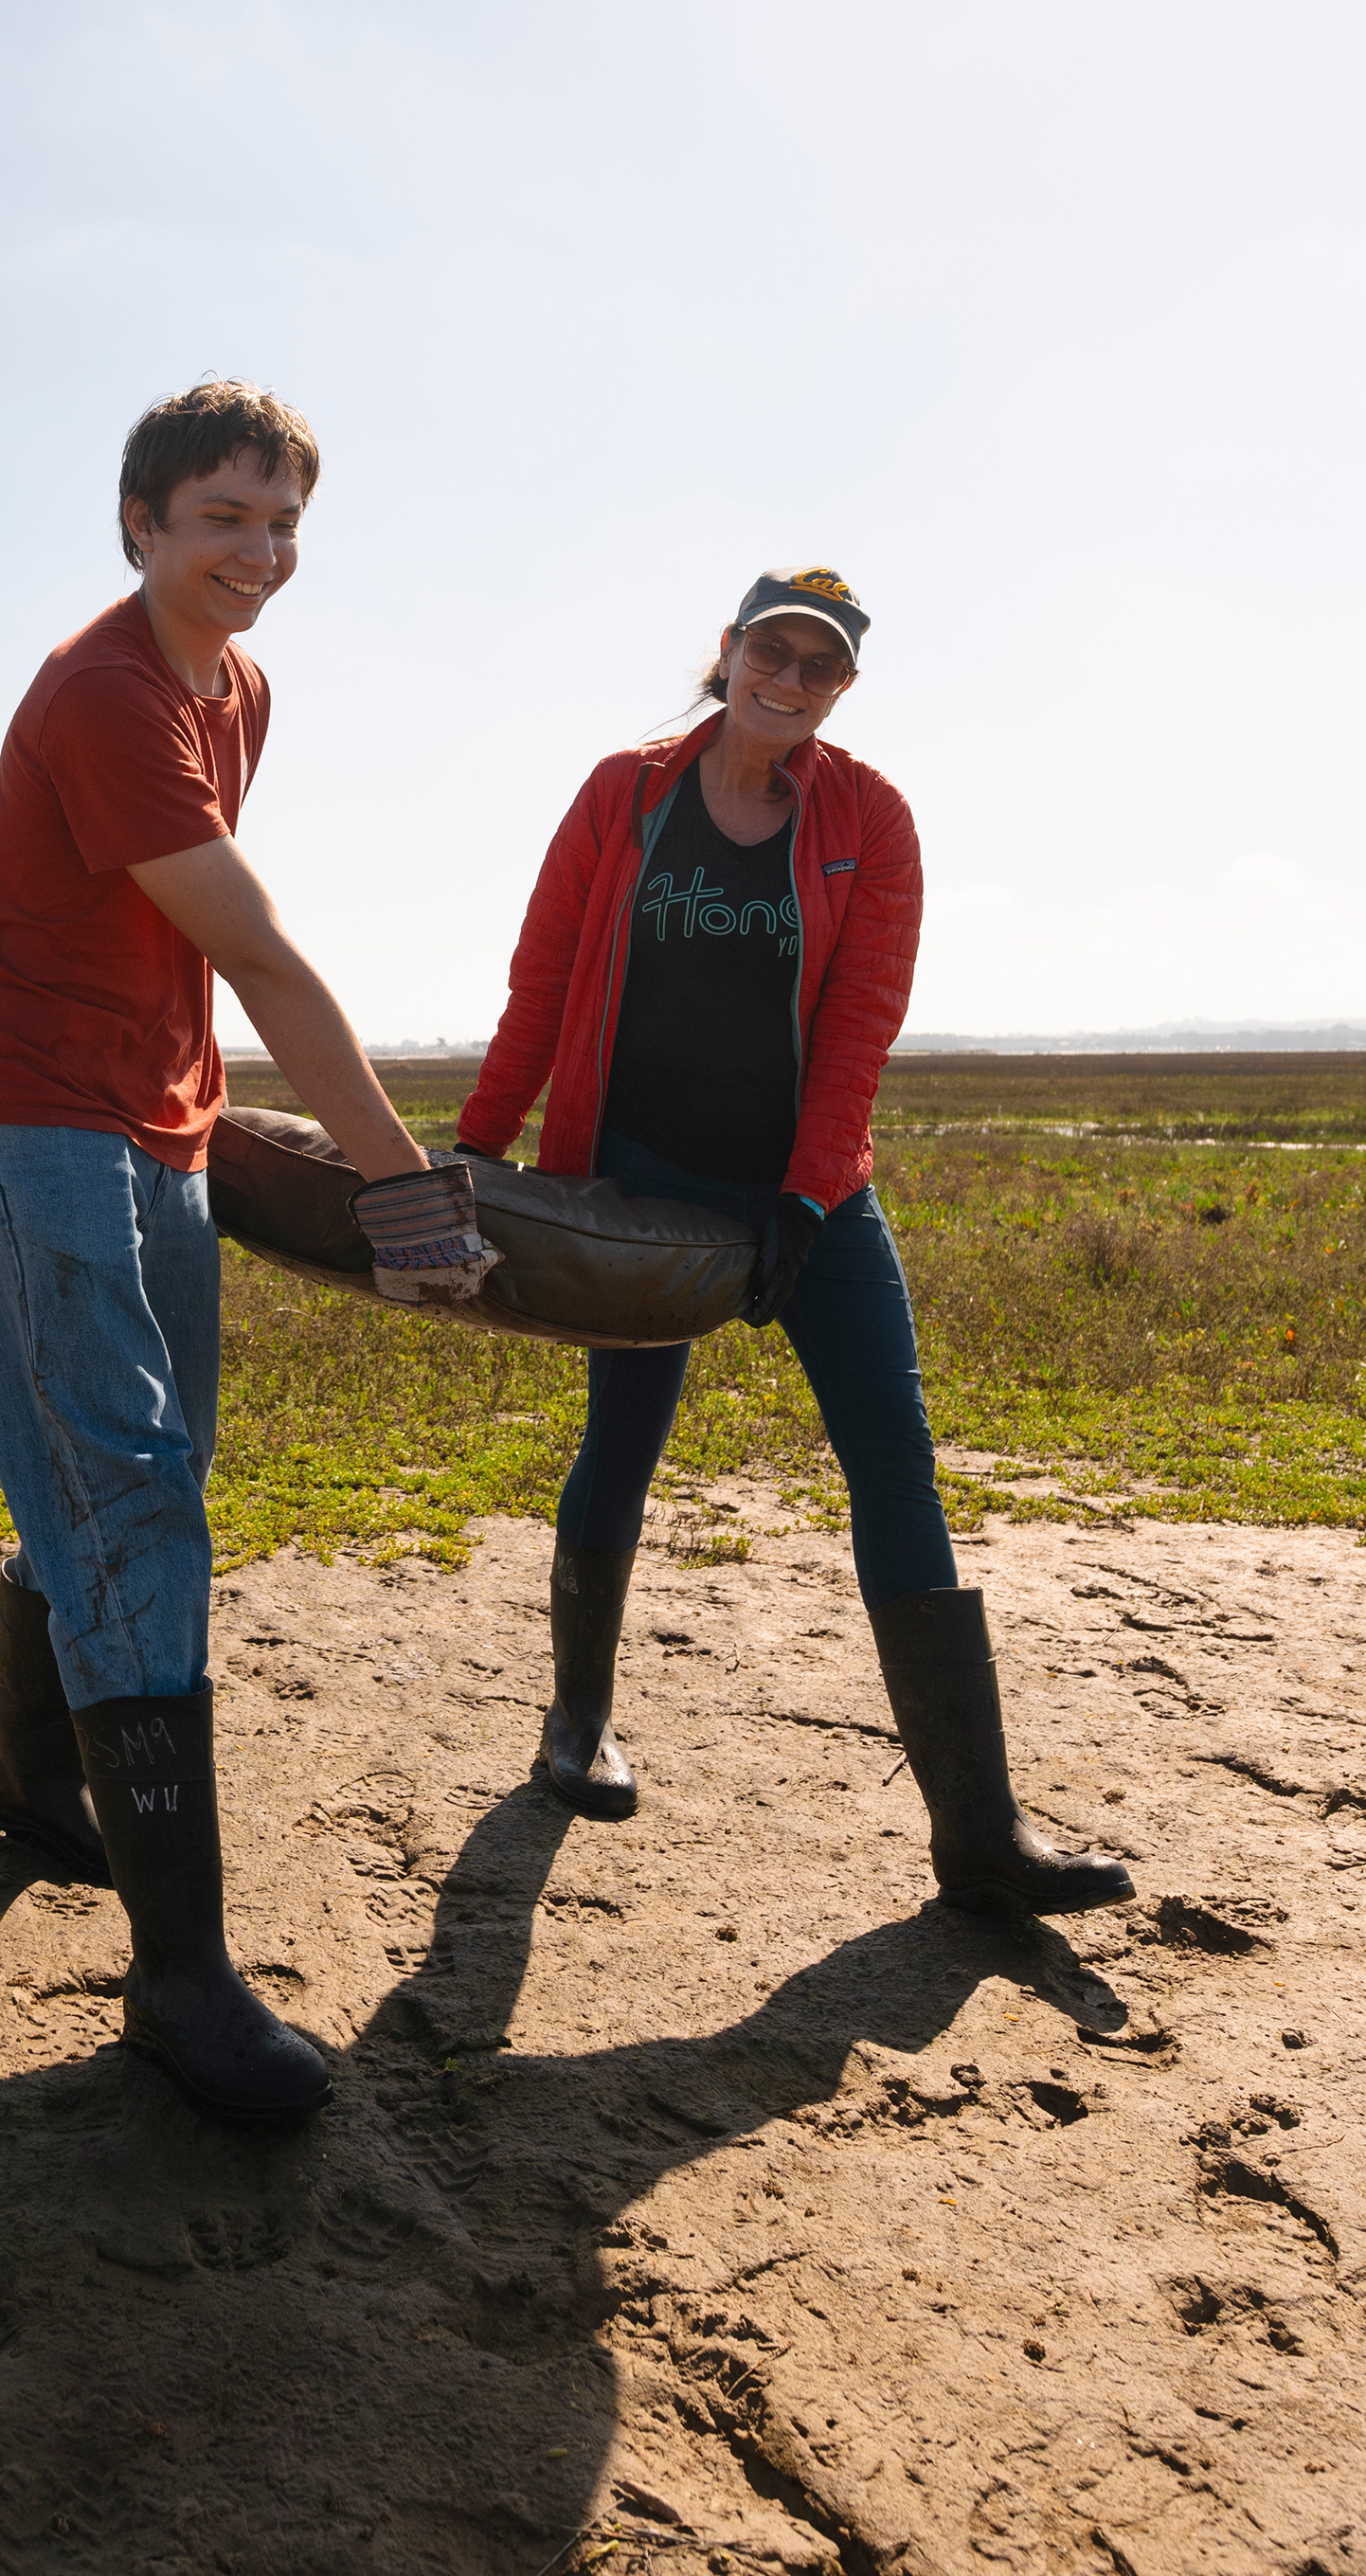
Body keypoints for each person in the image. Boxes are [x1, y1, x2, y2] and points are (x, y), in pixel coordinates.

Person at [0, 379, 484, 2125]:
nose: (259, 554)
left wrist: (216, 1120)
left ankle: (37, 1784)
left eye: (284, 524)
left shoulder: (236, 683)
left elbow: (178, 954)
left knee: (128, 1485)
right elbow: (263, 955)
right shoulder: (103, 696)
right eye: (223, 519)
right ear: (141, 526)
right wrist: (403, 1186)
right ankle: (182, 1985)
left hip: (153, 1129)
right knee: (134, 1503)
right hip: (32, 1144)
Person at [454, 569, 1134, 1918]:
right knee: (624, 1442)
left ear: (843, 691)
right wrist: (479, 1148)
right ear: (727, 653)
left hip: (807, 1198)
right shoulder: (623, 795)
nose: (790, 677)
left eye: (820, 667)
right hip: (639, 1190)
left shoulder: (867, 816)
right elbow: (546, 978)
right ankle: (576, 1726)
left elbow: (862, 1019)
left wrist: (810, 1198)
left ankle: (980, 1838)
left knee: (896, 1465)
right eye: (773, 649)